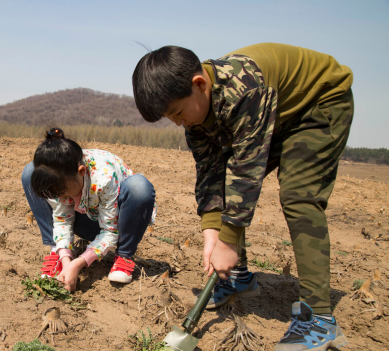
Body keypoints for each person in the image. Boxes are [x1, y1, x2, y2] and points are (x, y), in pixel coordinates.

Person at [132, 42, 352, 351]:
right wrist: (211, 234)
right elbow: (210, 173)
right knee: (226, 185)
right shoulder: (197, 113)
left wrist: (229, 240)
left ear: (200, 84)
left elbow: (246, 171)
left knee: (298, 197)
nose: (179, 123)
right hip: (273, 112)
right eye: (171, 118)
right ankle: (238, 277)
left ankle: (319, 319)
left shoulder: (243, 90)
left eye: (178, 113)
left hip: (315, 104)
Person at [21, 128, 156, 292]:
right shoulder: (53, 177)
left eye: (63, 193)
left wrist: (79, 263)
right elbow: (62, 219)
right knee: (30, 171)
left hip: (119, 223)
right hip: (87, 217)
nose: (61, 199)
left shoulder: (104, 177)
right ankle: (56, 252)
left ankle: (124, 256)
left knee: (139, 187)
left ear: (82, 172)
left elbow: (110, 230)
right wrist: (66, 260)